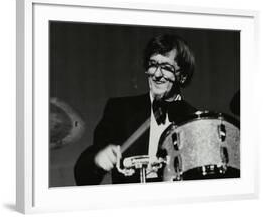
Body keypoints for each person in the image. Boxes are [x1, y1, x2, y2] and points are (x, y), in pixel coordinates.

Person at [74, 34, 197, 185]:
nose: (157, 74)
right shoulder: (120, 110)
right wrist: (98, 160)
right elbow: (83, 175)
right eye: (153, 65)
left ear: (182, 76)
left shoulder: (195, 121)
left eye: (166, 67)